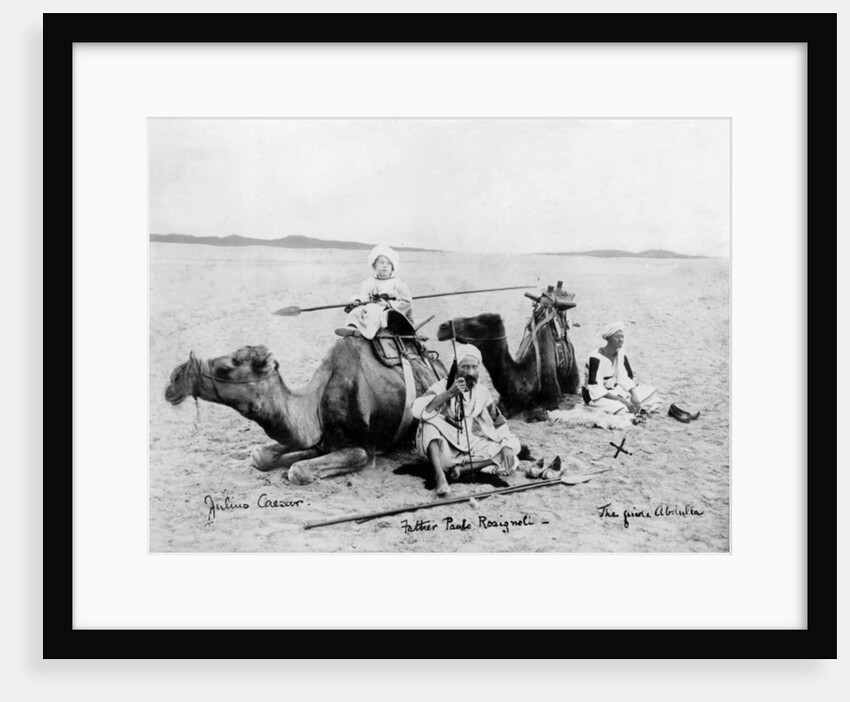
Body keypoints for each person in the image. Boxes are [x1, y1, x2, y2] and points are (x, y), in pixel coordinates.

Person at [411, 344, 521, 497]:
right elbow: (417, 410)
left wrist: (506, 444)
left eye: (474, 367)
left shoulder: (482, 392)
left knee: (511, 452)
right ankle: (440, 476)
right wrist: (449, 394)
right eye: (465, 367)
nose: (470, 372)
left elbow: (497, 420)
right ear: (456, 368)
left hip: (467, 444)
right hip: (443, 447)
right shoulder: (442, 386)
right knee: (428, 423)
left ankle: (464, 469)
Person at [336, 244, 414, 340]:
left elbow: (407, 302)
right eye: (381, 263)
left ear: (392, 267)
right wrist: (357, 301)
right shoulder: (369, 282)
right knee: (356, 311)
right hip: (371, 306)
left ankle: (367, 333)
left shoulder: (398, 284)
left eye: (388, 263)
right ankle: (351, 327)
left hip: (389, 312)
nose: (385, 266)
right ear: (374, 266)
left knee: (373, 310)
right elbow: (364, 296)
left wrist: (388, 303)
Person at [582, 321, 661, 416]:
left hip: (613, 391)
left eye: (622, 337)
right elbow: (596, 388)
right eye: (617, 337)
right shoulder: (595, 357)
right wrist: (624, 401)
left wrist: (633, 394)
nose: (621, 340)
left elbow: (624, 378)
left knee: (651, 391)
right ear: (608, 339)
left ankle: (628, 406)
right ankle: (623, 408)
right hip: (595, 396)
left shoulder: (621, 354)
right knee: (622, 409)